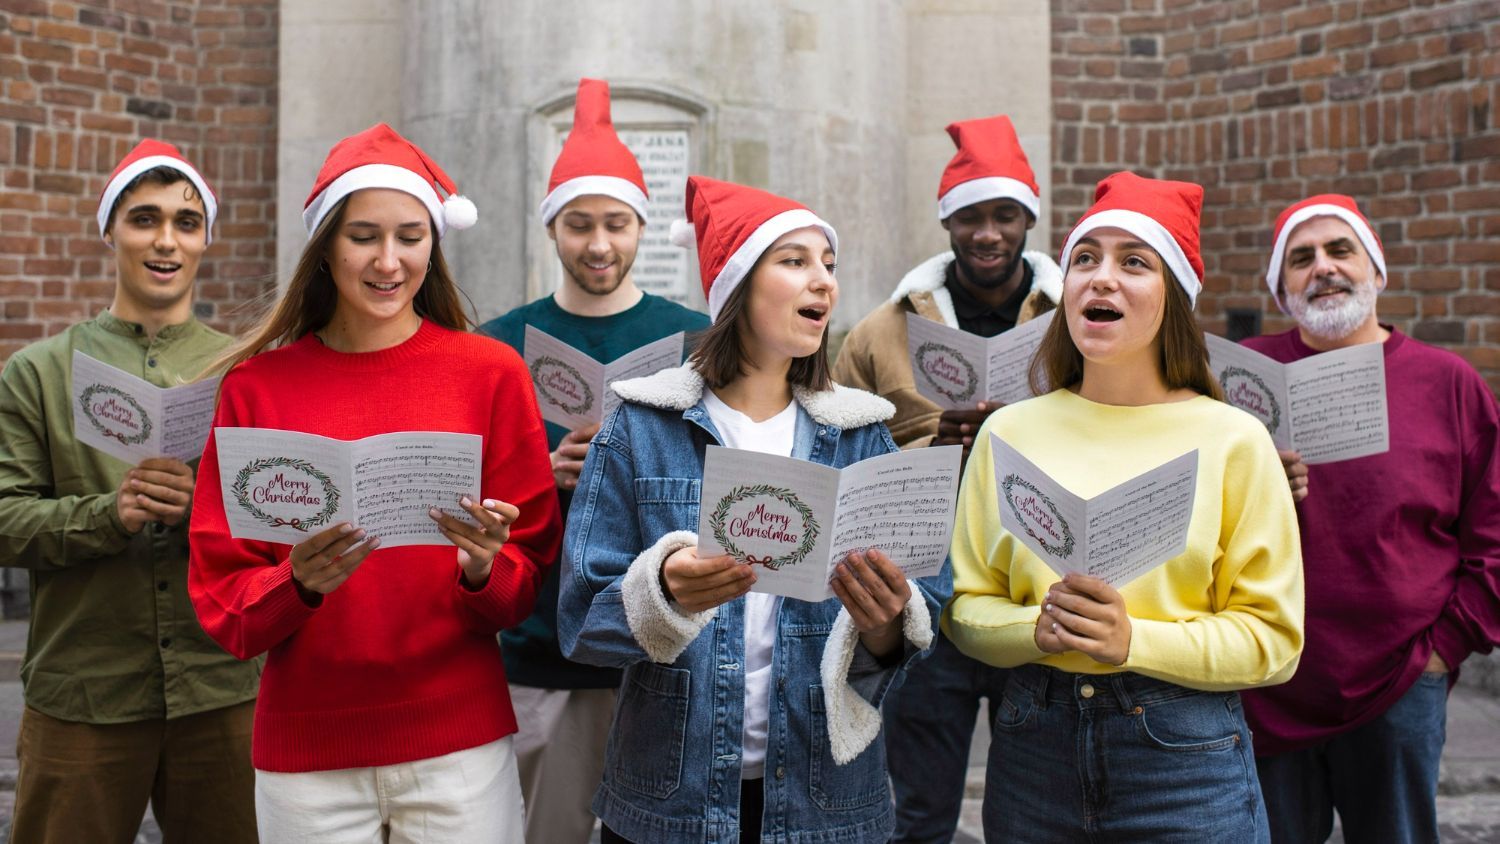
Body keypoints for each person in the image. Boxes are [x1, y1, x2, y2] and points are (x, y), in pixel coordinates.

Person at [187, 124, 560, 843]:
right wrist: (295, 581)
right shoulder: (255, 388)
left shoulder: (490, 373)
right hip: (307, 748)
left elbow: (529, 574)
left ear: (434, 243)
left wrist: (483, 566)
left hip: (459, 742)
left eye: (411, 236)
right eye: (364, 236)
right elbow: (222, 598)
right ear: (325, 246)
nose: (389, 261)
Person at [556, 175, 950, 844]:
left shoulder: (862, 434)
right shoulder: (641, 427)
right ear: (736, 286)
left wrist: (886, 623)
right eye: (794, 262)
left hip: (826, 805)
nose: (823, 282)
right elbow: (581, 622)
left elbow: (920, 614)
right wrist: (665, 594)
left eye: (829, 265)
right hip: (667, 803)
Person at [944, 171, 1305, 842]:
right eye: (1086, 258)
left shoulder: (1234, 440)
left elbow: (1273, 642)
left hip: (1184, 761)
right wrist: (1038, 630)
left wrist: (1132, 639)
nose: (1101, 278)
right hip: (1033, 750)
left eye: (1133, 262)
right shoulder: (1009, 433)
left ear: (1172, 297)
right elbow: (965, 610)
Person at [0, 140, 259, 844]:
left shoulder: (247, 370)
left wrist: (204, 506)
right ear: (111, 230)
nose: (165, 240)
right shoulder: (37, 372)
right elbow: (4, 519)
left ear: (206, 237)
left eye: (185, 220)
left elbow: (280, 527)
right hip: (83, 690)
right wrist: (108, 515)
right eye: (144, 218)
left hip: (225, 687)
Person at [478, 77, 709, 844]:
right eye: (579, 224)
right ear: (553, 229)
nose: (599, 244)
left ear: (642, 226)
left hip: (666, 637)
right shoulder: (502, 340)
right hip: (541, 640)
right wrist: (543, 473)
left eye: (616, 223)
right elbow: (465, 483)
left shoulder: (694, 337)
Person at [1239, 195, 1500, 844]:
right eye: (1301, 260)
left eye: (1339, 251)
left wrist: (1446, 649)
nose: (1322, 268)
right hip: (1268, 682)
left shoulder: (1449, 383)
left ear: (1375, 271)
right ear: (1281, 290)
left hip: (1401, 679)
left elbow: (1493, 533)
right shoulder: (1243, 377)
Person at [831, 113, 1060, 842]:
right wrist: (938, 445)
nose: (986, 233)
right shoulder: (880, 331)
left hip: (1035, 596)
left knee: (1037, 814)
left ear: (1028, 217)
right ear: (947, 223)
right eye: (968, 218)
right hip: (922, 599)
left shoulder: (1072, 323)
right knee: (915, 812)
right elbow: (836, 453)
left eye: (1002, 215)